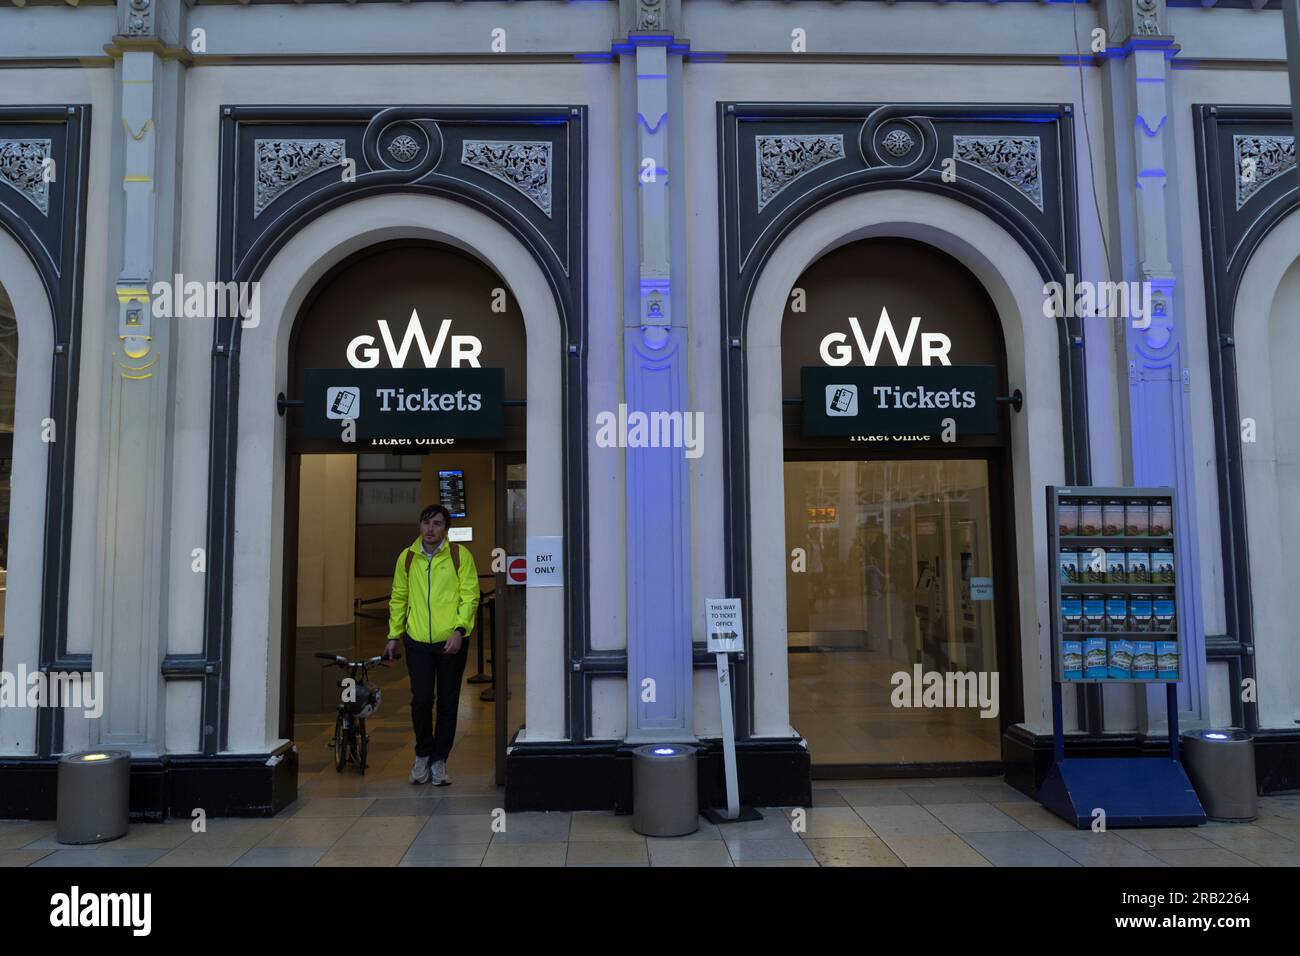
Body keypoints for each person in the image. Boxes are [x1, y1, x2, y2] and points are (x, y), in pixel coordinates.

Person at [386, 503, 479, 786]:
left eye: (437, 523)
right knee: (422, 699)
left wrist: (460, 630)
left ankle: (439, 760)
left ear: (446, 529)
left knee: (449, 702)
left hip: (451, 641)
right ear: (420, 526)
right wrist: (393, 634)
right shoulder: (407, 558)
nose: (430, 529)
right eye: (426, 523)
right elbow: (399, 597)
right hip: (416, 641)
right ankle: (423, 753)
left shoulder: (459, 556)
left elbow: (470, 596)